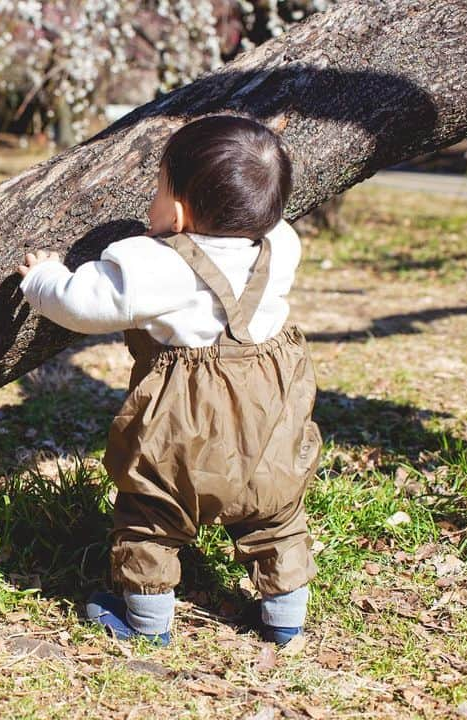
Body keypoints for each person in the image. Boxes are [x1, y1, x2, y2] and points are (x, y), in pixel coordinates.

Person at [17, 116, 321, 646]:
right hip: (271, 415)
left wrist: (44, 278)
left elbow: (84, 303)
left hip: (187, 423)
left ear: (178, 212)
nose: (151, 204)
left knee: (152, 514)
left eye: (158, 190)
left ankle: (145, 624)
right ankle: (286, 621)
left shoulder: (157, 266)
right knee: (276, 512)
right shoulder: (282, 244)